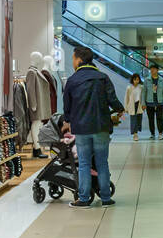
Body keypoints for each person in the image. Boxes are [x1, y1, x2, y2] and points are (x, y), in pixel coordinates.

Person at [62, 46, 124, 208]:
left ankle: (83, 199)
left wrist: (67, 121)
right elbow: (113, 100)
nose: (73, 62)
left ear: (79, 60)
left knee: (84, 164)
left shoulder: (72, 80)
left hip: (81, 129)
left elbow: (67, 107)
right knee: (102, 162)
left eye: (73, 58)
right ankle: (105, 198)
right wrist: (120, 109)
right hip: (101, 126)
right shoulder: (103, 78)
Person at [143, 63, 163, 139]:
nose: (152, 70)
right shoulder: (147, 80)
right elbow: (144, 92)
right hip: (149, 102)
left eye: (153, 69)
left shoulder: (162, 80)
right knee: (151, 119)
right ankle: (152, 134)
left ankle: (160, 133)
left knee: (160, 118)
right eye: (151, 69)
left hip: (159, 102)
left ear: (157, 70)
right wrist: (143, 103)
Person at [124, 72, 145, 140]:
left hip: (139, 105)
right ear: (132, 80)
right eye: (135, 79)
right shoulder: (129, 87)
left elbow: (143, 97)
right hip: (132, 105)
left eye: (138, 80)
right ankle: (135, 134)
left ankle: (137, 132)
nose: (136, 81)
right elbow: (126, 98)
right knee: (133, 120)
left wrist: (144, 105)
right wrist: (126, 108)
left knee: (139, 119)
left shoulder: (141, 87)